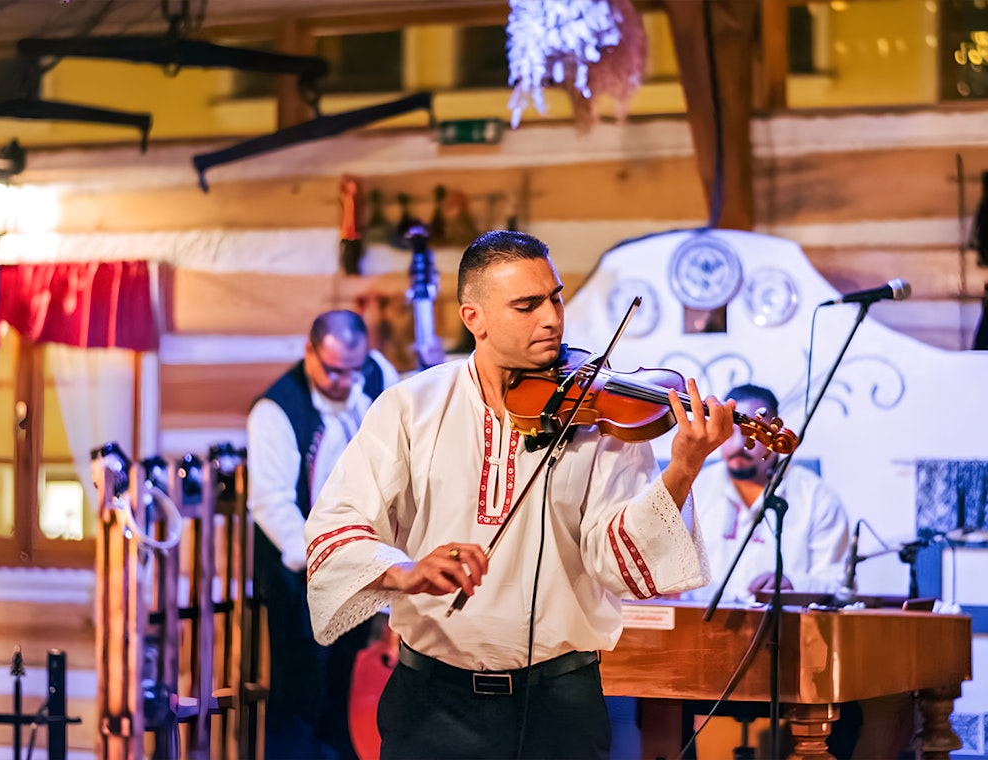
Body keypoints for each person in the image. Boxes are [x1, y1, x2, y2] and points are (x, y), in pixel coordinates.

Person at [303, 230, 736, 760]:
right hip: (431, 704)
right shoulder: (410, 406)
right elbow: (336, 525)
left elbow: (617, 564)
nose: (551, 318)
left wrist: (683, 469)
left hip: (561, 704)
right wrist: (404, 572)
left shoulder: (601, 414)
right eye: (526, 305)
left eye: (554, 297)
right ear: (474, 319)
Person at [247, 309, 400, 759]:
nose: (345, 381)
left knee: (352, 688)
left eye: (354, 369)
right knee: (301, 691)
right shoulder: (274, 411)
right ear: (309, 352)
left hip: (367, 558)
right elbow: (272, 504)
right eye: (333, 370)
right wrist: (324, 560)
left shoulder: (376, 374)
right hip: (299, 569)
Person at [683, 384, 849, 605]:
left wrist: (793, 584)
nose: (738, 445)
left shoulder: (816, 497)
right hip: (697, 626)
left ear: (774, 432)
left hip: (784, 630)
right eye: (728, 432)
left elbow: (840, 583)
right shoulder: (695, 487)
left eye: (751, 434)